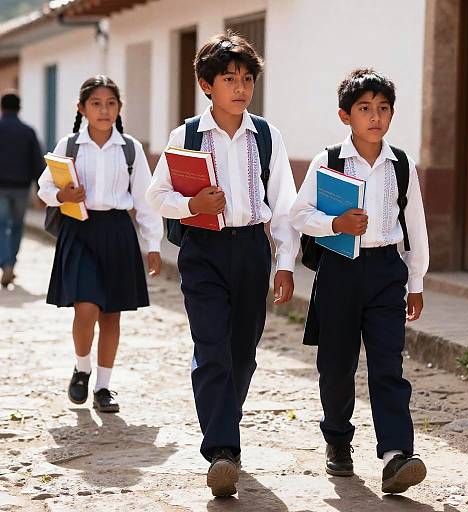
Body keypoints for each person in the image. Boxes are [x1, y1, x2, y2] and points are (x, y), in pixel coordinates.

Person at [146, 32, 299, 497]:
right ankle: (222, 451)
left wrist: (286, 263)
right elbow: (157, 196)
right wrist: (194, 204)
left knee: (243, 354)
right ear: (206, 84)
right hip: (203, 252)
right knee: (211, 347)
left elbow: (285, 205)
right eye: (229, 79)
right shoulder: (186, 135)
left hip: (252, 250)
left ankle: (222, 430)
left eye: (247, 78)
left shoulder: (267, 136)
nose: (240, 87)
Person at [290, 68, 429, 494]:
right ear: (344, 115)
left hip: (387, 270)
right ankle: (337, 441)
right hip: (339, 272)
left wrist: (416, 280)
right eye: (365, 109)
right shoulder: (328, 162)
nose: (375, 117)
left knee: (389, 364)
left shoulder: (400, 165)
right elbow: (298, 215)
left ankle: (395, 455)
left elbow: (415, 225)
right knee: (336, 365)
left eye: (383, 109)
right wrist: (335, 222)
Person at [38, 75, 163, 413]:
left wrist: (153, 244)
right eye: (96, 103)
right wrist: (62, 195)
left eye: (110, 104)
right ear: (82, 108)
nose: (104, 110)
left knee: (111, 315)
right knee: (86, 306)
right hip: (79, 230)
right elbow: (44, 188)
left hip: (118, 232)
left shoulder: (130, 148)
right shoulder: (69, 145)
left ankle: (104, 387)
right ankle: (82, 368)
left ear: (119, 108)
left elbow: (145, 199)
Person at [0, 92, 45, 287]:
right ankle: (12, 263)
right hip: (21, 188)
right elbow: (37, 162)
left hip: (0, 188)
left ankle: (6, 262)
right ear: (19, 108)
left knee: (0, 226)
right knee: (17, 226)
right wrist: (41, 190)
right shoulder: (28, 132)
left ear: (2, 107)